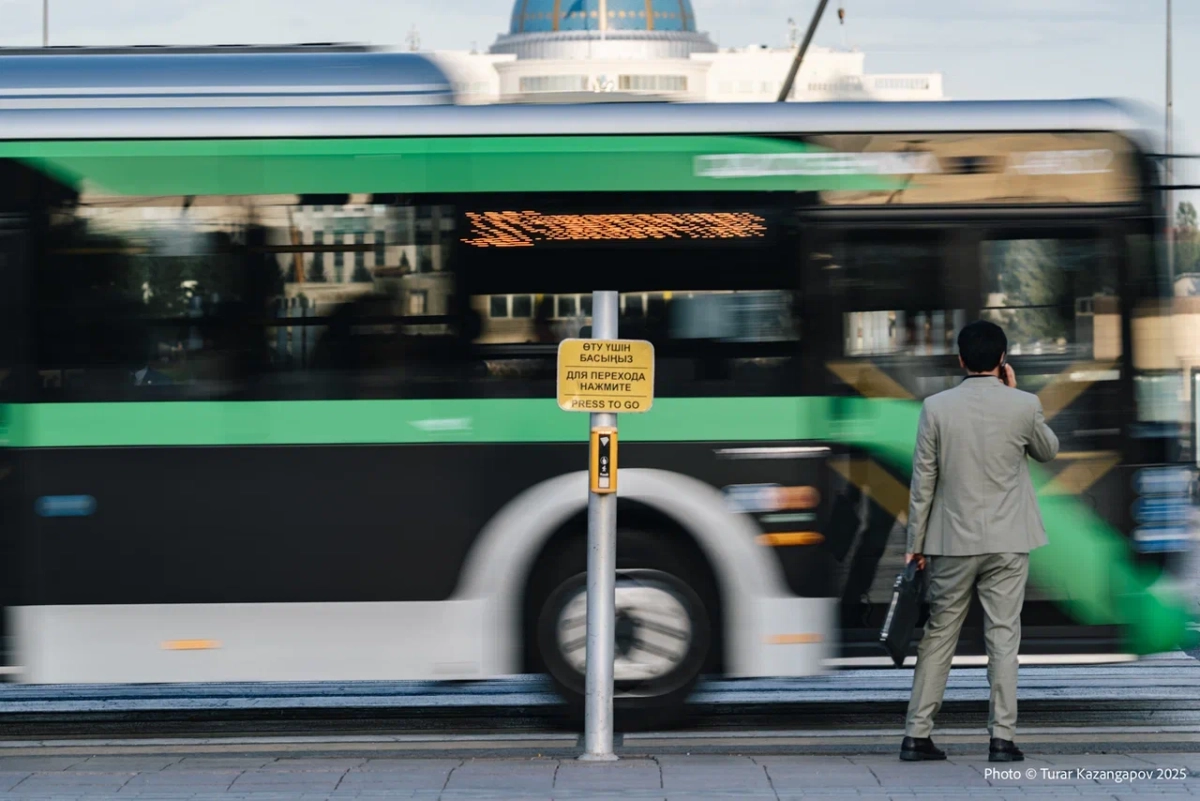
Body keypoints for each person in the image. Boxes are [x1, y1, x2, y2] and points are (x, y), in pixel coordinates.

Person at [900, 320, 1058, 764]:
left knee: (938, 636)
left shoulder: (936, 407)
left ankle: (916, 735)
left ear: (961, 360)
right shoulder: (1023, 406)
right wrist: (1017, 391)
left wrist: (916, 543)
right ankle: (1001, 740)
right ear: (1003, 360)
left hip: (951, 540)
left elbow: (923, 482)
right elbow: (1048, 450)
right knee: (1004, 637)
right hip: (1008, 542)